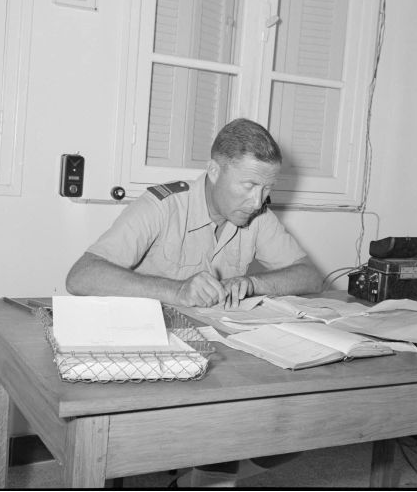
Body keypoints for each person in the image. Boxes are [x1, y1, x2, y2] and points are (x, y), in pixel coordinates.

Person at [66, 118, 323, 486]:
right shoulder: (162, 205)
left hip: (217, 356)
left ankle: (200, 475)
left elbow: (310, 276)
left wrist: (254, 283)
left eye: (267, 188)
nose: (258, 201)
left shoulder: (257, 214)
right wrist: (176, 291)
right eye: (249, 185)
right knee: (221, 425)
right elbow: (81, 276)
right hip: (153, 355)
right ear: (214, 171)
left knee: (303, 421)